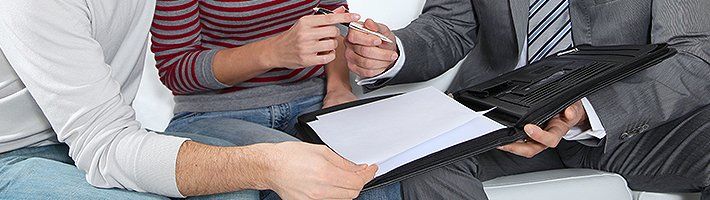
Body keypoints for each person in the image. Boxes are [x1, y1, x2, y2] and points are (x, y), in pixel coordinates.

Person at [0, 0, 380, 199]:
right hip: (15, 153)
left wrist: (347, 78)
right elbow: (107, 143)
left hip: (92, 133)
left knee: (237, 193)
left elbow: (334, 14)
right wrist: (267, 164)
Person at [344, 0, 710, 199]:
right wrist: (394, 52)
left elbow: (694, 51)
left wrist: (583, 112)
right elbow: (450, 26)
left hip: (636, 119)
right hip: (499, 120)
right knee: (424, 163)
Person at [149, 1, 402, 199]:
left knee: (370, 183)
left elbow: (332, 19)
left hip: (312, 101)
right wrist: (273, 52)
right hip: (216, 113)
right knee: (317, 179)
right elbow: (175, 69)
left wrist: (338, 88)